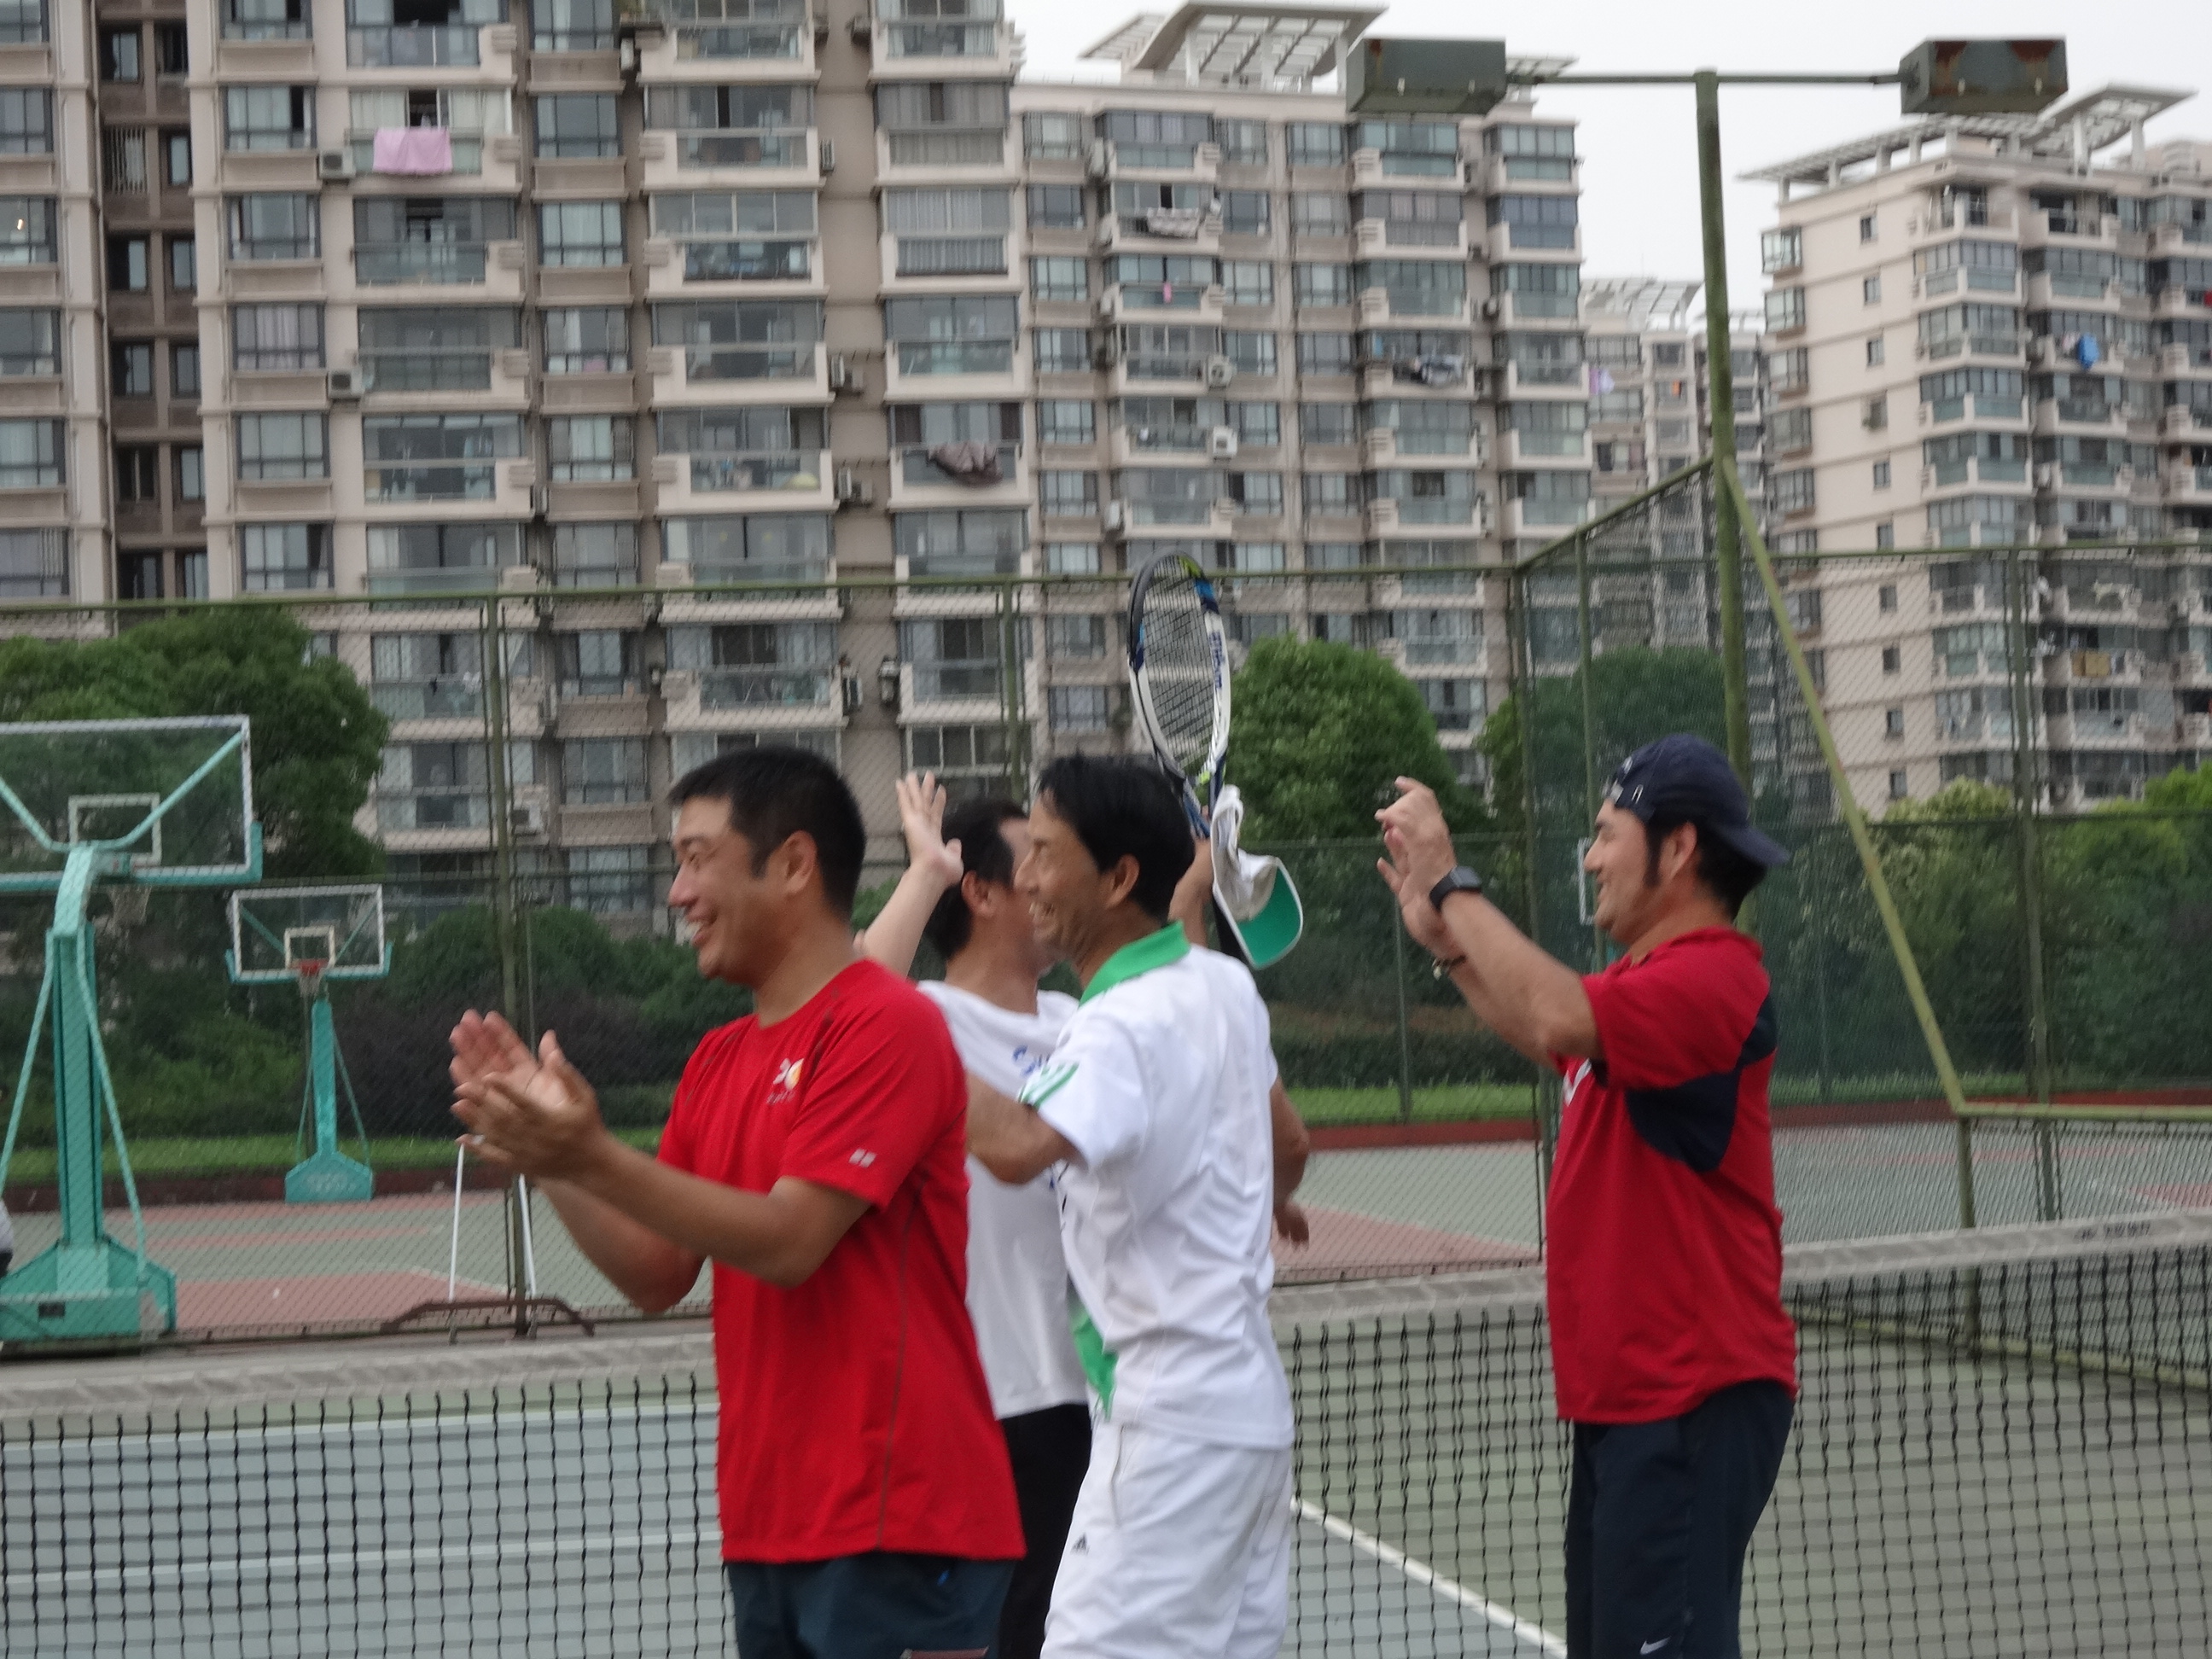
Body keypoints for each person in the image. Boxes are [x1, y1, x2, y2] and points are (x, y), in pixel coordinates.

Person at [449, 745, 1023, 1658]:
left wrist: (590, 1154)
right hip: (770, 1521)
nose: (677, 893)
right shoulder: (717, 1062)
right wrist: (550, 1159)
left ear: (793, 864)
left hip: (898, 1516)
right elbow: (655, 1274)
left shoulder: (887, 1024)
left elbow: (793, 1240)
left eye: (696, 858)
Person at [857, 774, 1314, 1659]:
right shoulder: (1222, 986)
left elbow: (1020, 1146)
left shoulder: (1115, 1023)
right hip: (1248, 1416)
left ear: (1117, 879)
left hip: (1163, 1422)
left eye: (1046, 854)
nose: (1028, 876)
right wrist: (1234, 1196)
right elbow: (1286, 1143)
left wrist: (904, 1055)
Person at [1375, 732, 1798, 1659]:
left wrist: (1453, 884)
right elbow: (1551, 1034)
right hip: (1632, 1397)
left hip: (1690, 1393)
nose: (1592, 858)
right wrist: (1452, 949)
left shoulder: (1716, 975)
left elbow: (1560, 1012)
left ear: (1677, 850)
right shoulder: (1643, 985)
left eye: (1608, 835)